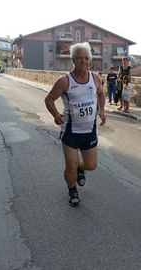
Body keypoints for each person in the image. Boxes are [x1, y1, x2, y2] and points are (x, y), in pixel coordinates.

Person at [44, 42, 106, 207]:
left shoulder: (95, 78)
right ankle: (72, 190)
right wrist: (56, 114)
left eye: (86, 58)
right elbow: (49, 99)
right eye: (79, 58)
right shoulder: (64, 81)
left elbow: (101, 94)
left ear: (90, 61)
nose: (83, 61)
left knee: (91, 165)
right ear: (73, 60)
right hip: (70, 131)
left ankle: (81, 169)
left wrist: (102, 110)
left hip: (89, 130)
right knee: (70, 164)